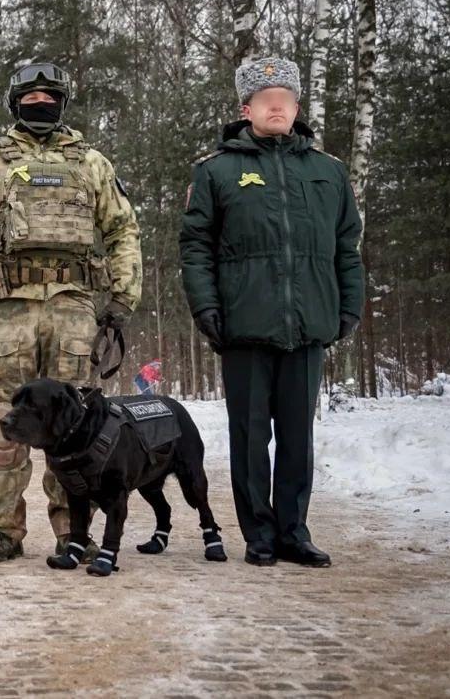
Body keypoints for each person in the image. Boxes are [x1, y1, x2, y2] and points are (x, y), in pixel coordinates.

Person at [0, 59, 142, 563]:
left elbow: (122, 229)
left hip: (73, 310)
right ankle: (4, 532)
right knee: (4, 425)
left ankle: (71, 531)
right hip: (7, 311)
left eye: (49, 98)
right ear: (14, 103)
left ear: (63, 103)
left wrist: (122, 297)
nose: (40, 105)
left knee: (74, 426)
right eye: (30, 99)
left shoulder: (92, 162)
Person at [179, 56, 363, 568]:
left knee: (299, 439)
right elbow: (196, 247)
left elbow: (347, 247)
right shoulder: (216, 171)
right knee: (250, 438)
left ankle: (293, 532)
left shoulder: (329, 173)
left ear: (297, 107)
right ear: (247, 108)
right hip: (245, 326)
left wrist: (349, 304)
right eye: (266, 98)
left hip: (308, 326)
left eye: (285, 97)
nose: (276, 105)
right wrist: (207, 307)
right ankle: (259, 534)